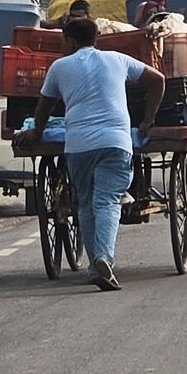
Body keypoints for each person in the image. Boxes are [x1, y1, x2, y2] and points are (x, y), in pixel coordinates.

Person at [14, 17, 165, 292]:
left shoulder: (59, 67)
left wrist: (35, 133)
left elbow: (44, 108)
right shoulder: (118, 60)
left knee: (86, 202)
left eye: (63, 41)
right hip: (116, 142)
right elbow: (158, 80)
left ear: (70, 41)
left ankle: (97, 264)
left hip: (79, 146)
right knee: (107, 201)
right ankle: (102, 260)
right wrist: (148, 119)